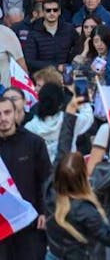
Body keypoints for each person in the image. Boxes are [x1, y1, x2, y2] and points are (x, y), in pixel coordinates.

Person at [45, 151, 110, 260]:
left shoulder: (49, 189)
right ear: (84, 175)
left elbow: (62, 150)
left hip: (53, 255)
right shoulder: (84, 211)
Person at [0, 96, 51, 260]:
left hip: (30, 224)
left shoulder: (34, 143)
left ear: (16, 113)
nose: (3, 118)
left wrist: (45, 212)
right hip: (2, 226)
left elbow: (46, 180)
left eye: (7, 112)